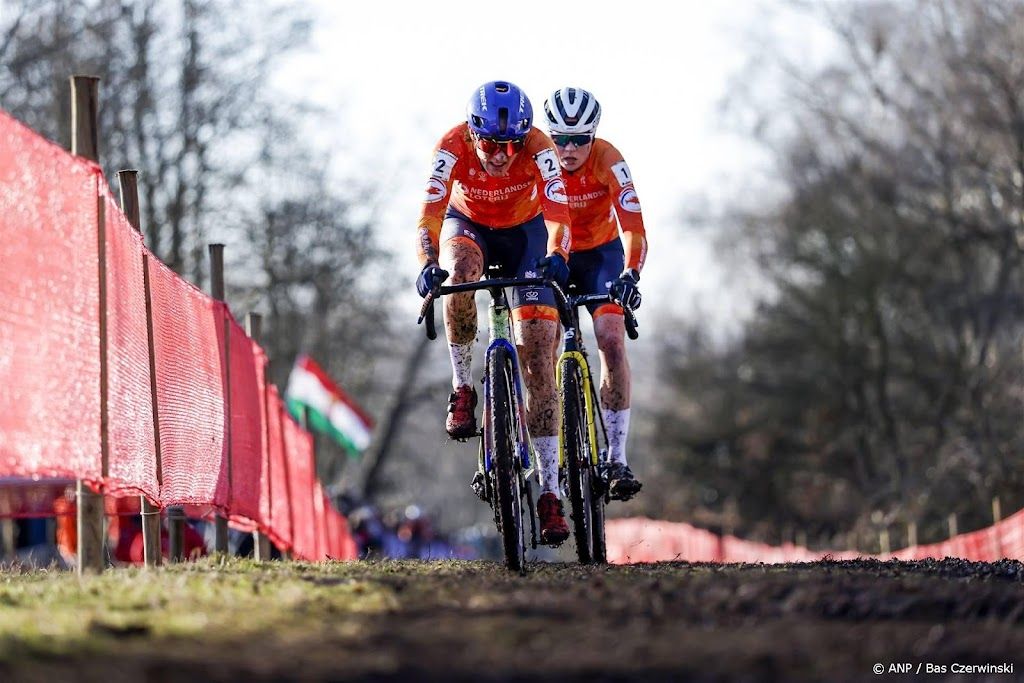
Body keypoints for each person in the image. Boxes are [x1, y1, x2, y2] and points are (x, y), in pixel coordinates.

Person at [415, 81, 572, 545]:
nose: (501, 155)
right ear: (472, 133)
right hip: (469, 226)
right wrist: (427, 265)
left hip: (526, 233)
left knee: (540, 360)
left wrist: (560, 254)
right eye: (490, 144)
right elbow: (427, 217)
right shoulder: (450, 145)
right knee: (459, 274)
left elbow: (560, 215)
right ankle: (463, 387)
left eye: (510, 145)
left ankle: (549, 492)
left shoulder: (539, 147)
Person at [543, 87, 647, 501]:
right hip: (552, 254)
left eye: (579, 140)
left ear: (594, 136)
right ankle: (545, 445)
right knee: (540, 348)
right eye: (560, 140)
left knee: (610, 339)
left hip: (600, 256)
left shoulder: (610, 160)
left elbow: (634, 226)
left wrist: (631, 273)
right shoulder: (538, 159)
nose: (568, 149)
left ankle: (616, 456)